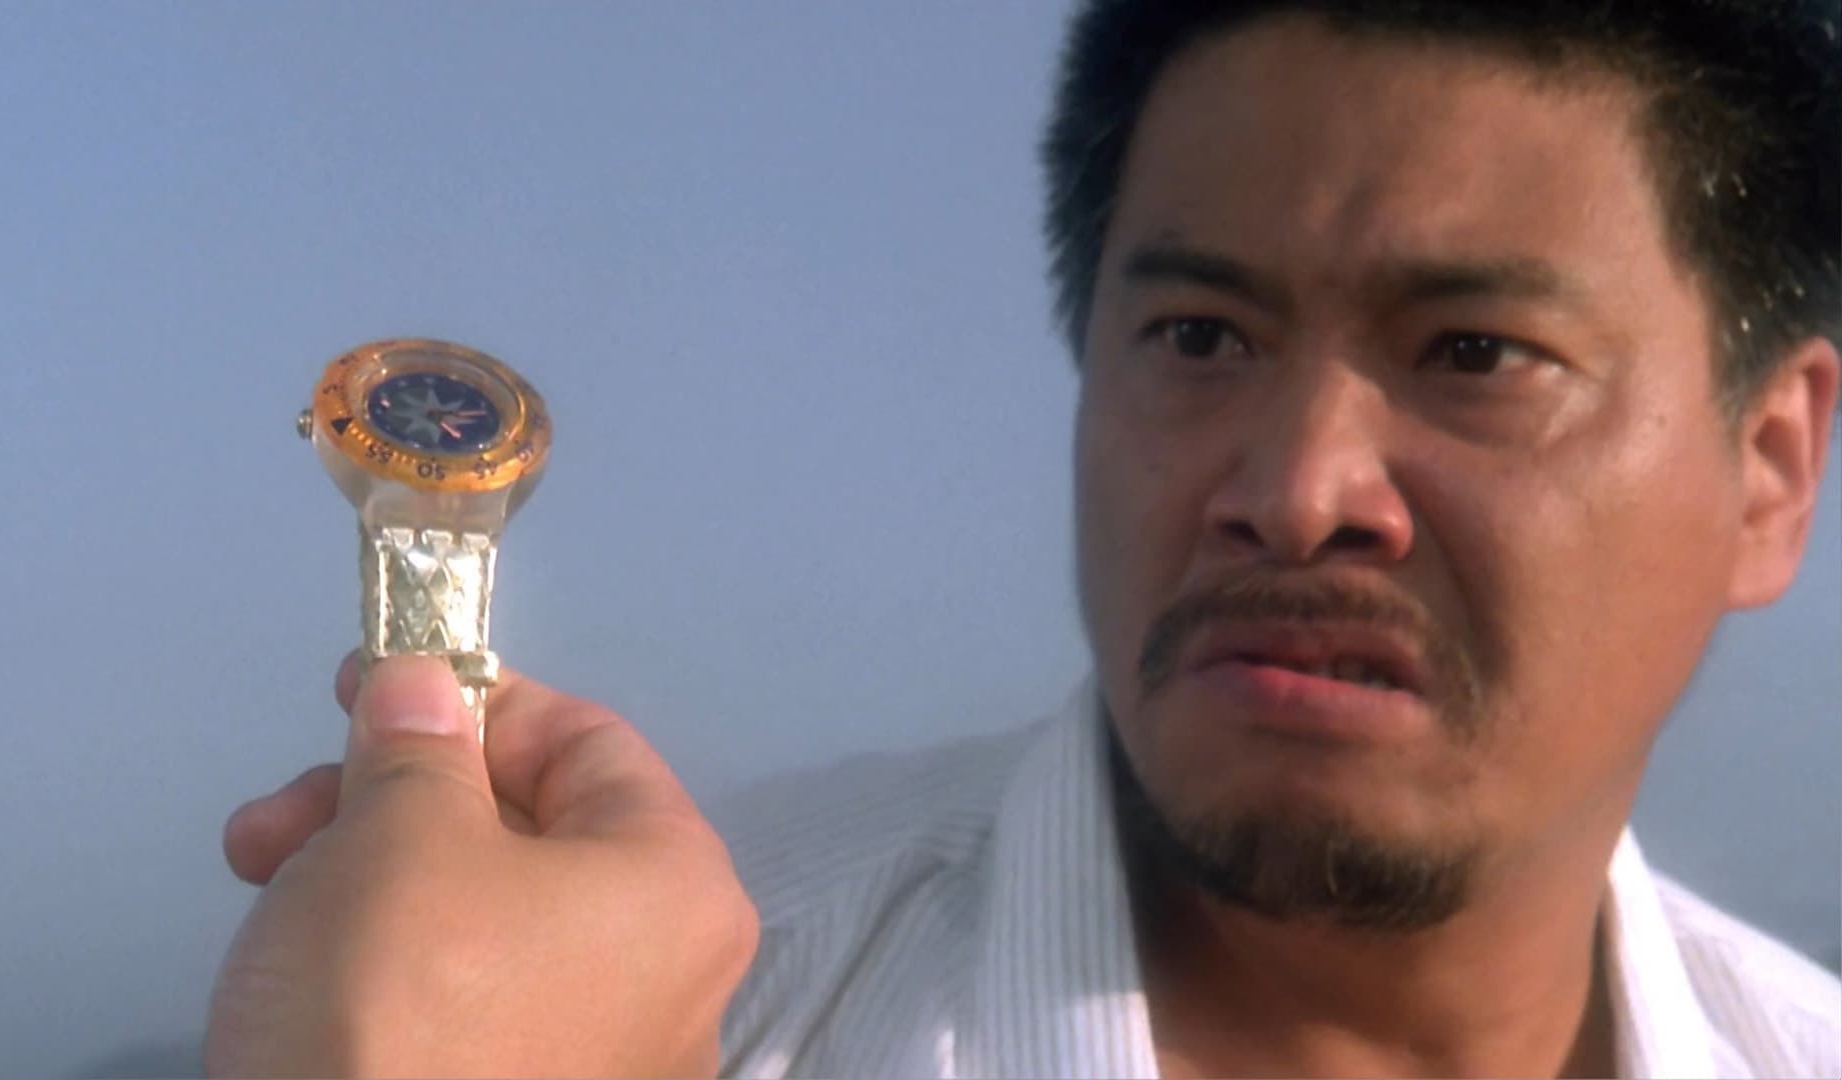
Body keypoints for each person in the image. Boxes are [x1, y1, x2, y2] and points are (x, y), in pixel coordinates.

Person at [206, 0, 1842, 1076]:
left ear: (1770, 471)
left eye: (1474, 354)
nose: (1298, 489)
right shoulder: (691, 1027)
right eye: (1200, 337)